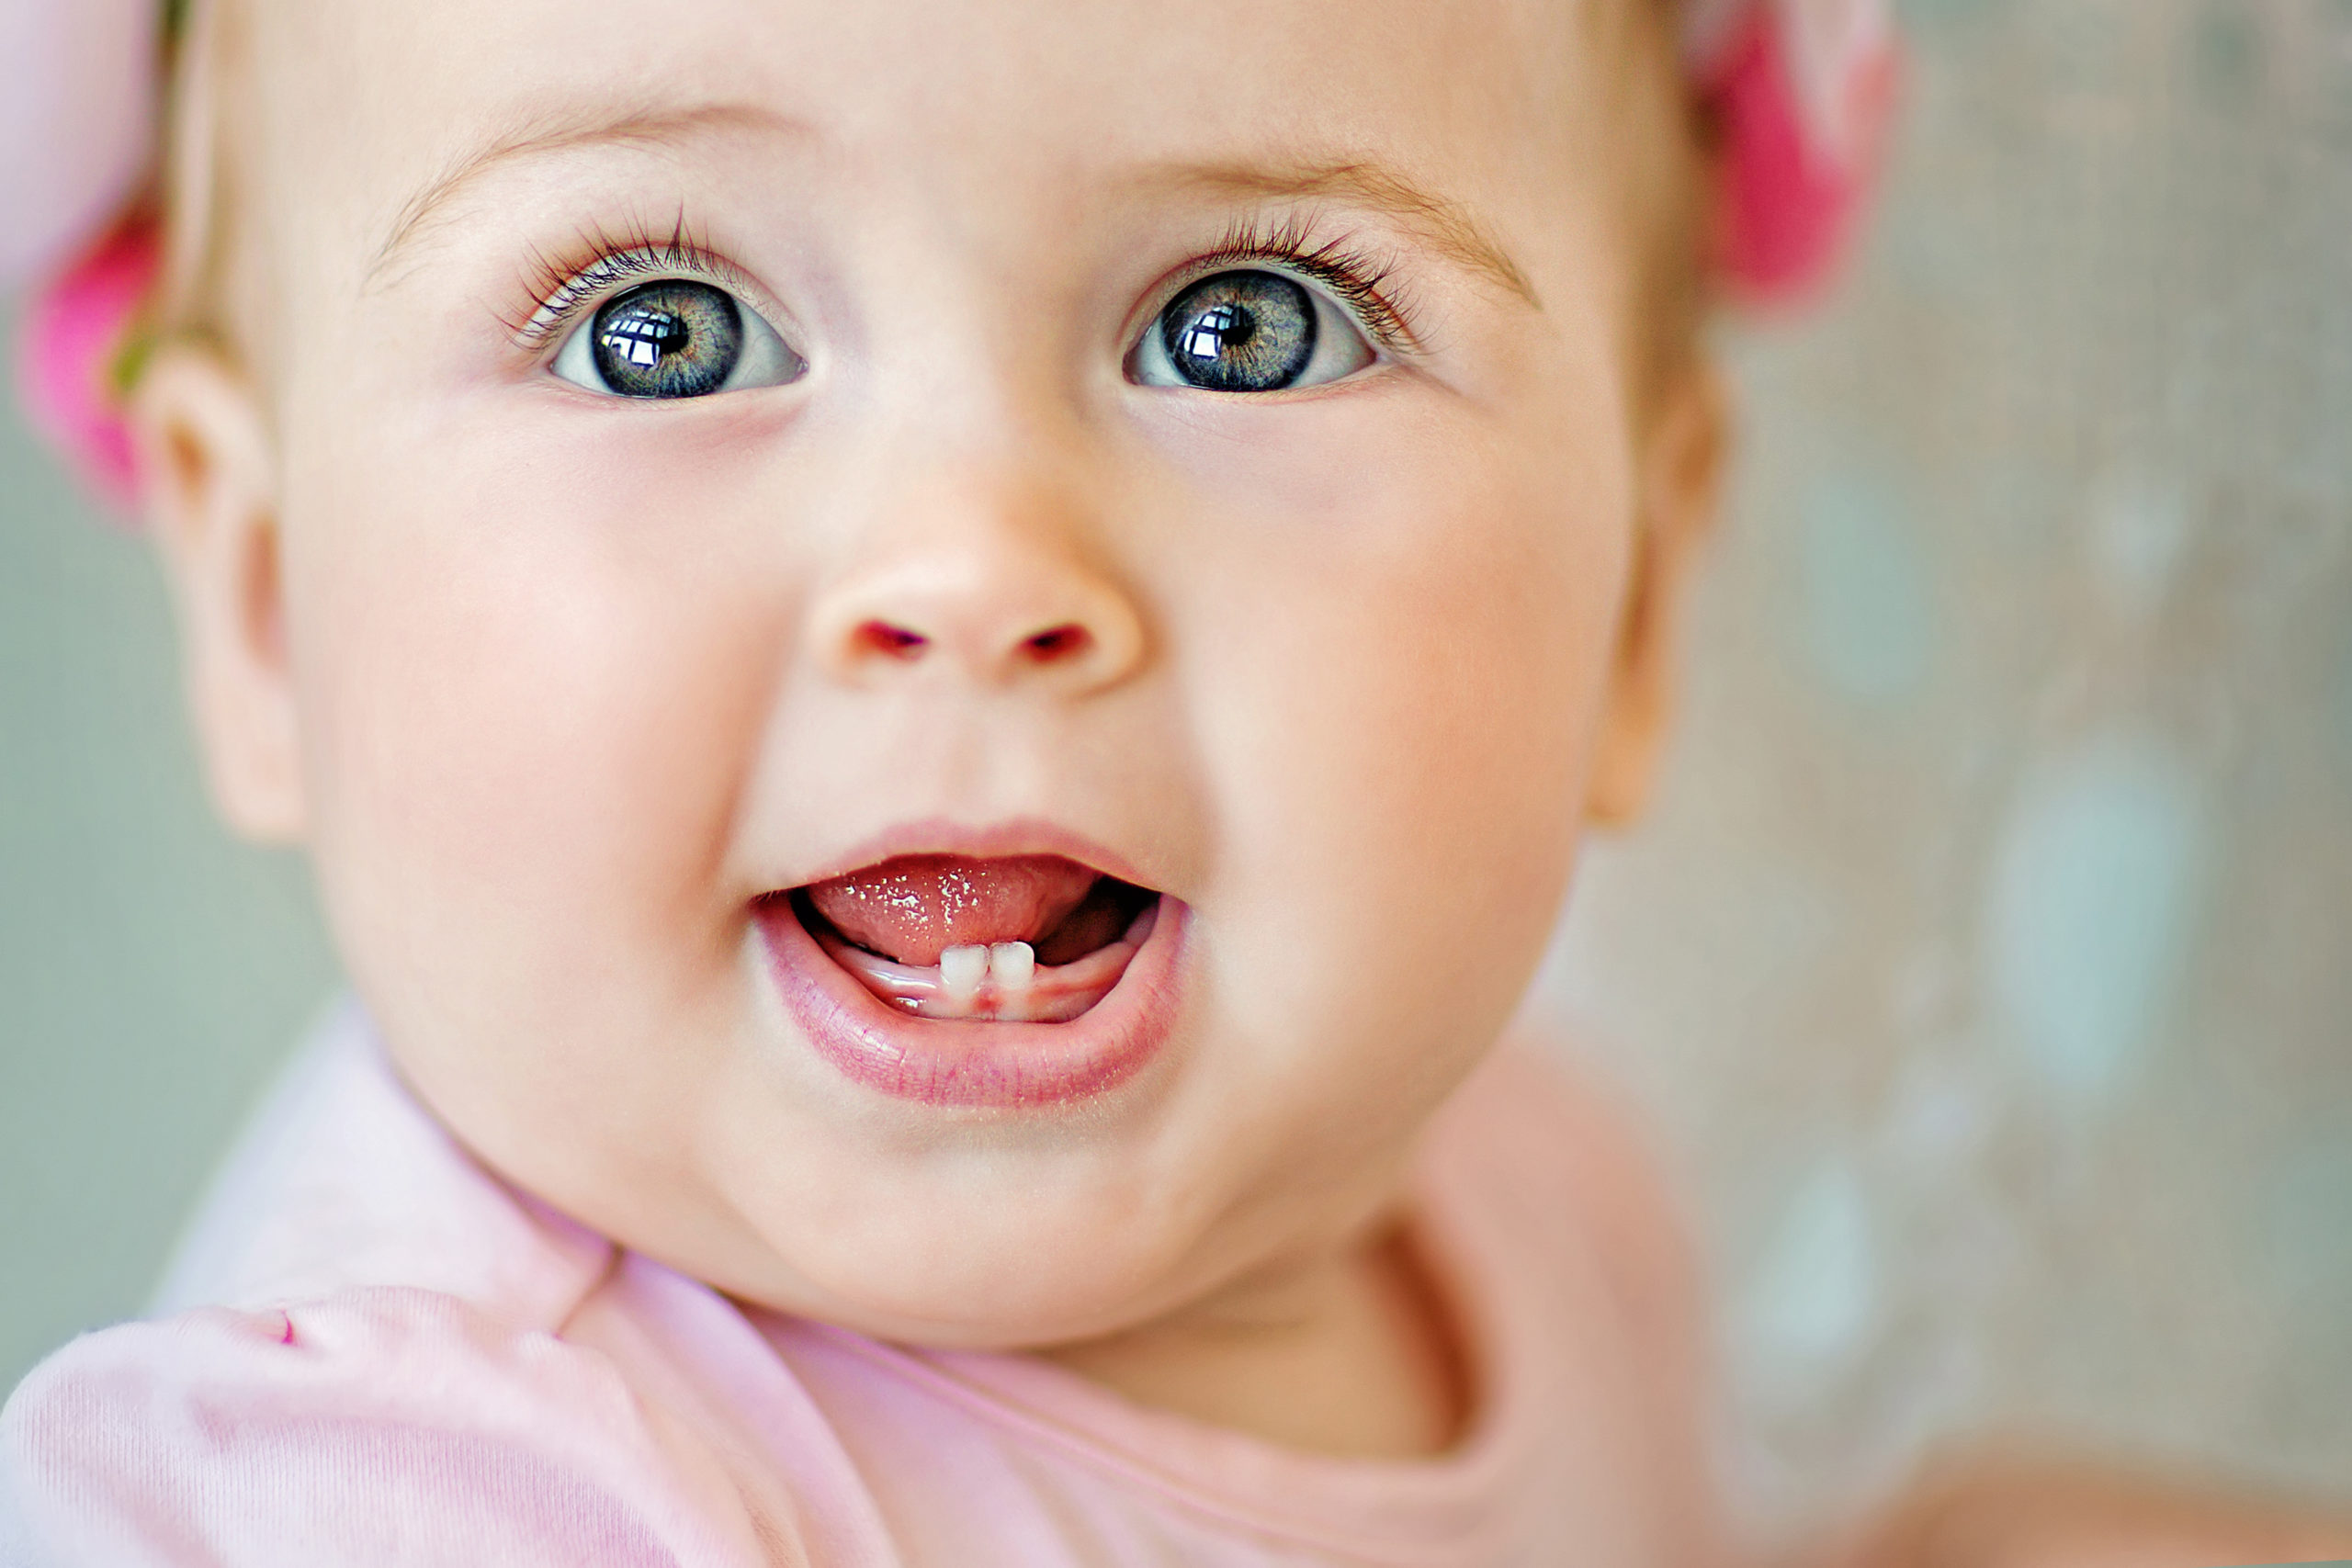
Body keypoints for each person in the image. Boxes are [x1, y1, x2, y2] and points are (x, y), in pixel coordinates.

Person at [3, 0, 2341, 1563]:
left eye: (1242, 326)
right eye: (664, 329)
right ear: (266, 593)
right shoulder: (421, 1491)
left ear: (1637, 594)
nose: (975, 562)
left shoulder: (1532, 1196)